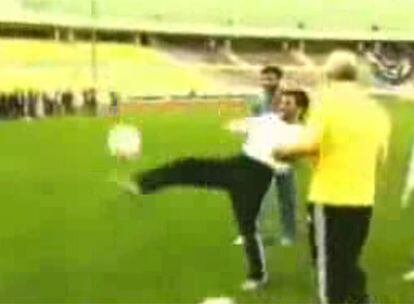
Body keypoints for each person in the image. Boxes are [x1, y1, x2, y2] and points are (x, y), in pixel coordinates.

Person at [115, 90, 309, 291]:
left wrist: (284, 155)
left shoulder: (300, 132)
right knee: (187, 165)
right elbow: (246, 124)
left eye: (289, 103)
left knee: (247, 227)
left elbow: (292, 159)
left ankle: (257, 276)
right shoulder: (269, 119)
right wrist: (238, 125)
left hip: (258, 175)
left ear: (300, 108)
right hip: (239, 164)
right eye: (283, 102)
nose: (283, 106)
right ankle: (142, 184)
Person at [273, 51, 390, 304]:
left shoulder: (326, 104)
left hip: (330, 199)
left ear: (327, 75)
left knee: (329, 272)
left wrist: (280, 152)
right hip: (363, 199)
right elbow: (380, 157)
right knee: (347, 262)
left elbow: (308, 145)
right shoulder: (376, 110)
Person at [235, 65, 298, 247]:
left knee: (286, 196)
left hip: (284, 152)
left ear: (279, 79)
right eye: (264, 78)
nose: (266, 82)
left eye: (271, 79)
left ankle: (289, 234)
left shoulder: (288, 100)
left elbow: (296, 123)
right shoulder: (257, 100)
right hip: (262, 154)